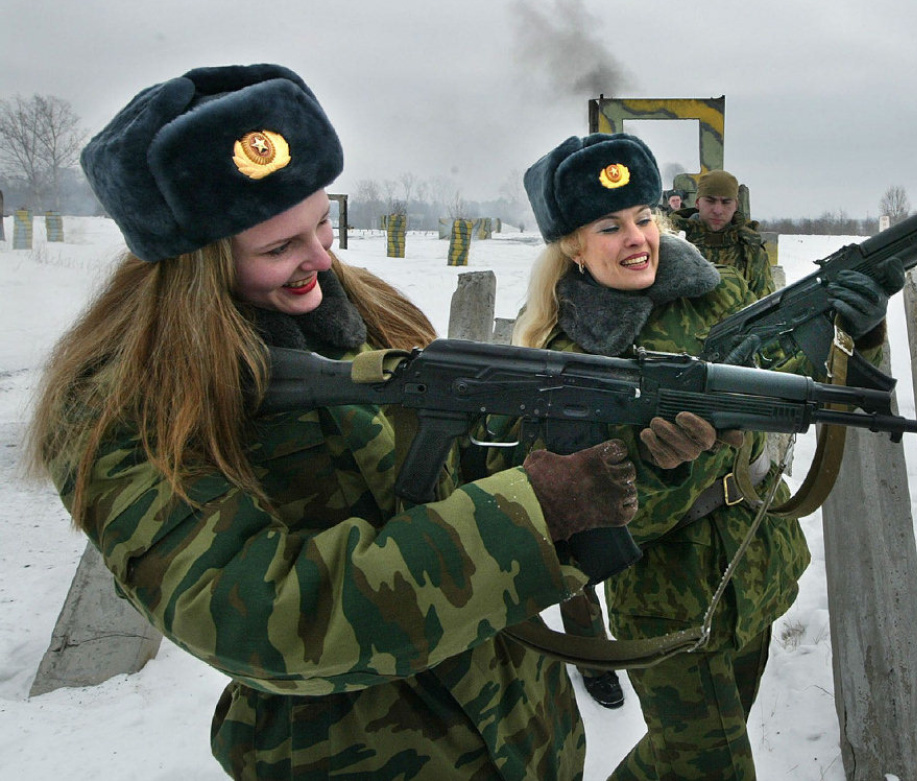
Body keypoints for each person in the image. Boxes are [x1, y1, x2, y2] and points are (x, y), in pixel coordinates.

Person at [23, 64, 643, 780]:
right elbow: (265, 618)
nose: (321, 258)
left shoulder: (364, 310)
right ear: (190, 266)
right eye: (279, 247)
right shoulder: (124, 408)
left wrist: (607, 461)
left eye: (322, 222)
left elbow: (452, 471)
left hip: (524, 734)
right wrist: (529, 511)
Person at [512, 132, 903, 779]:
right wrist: (662, 466)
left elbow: (791, 385)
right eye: (609, 226)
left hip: (752, 566)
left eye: (642, 217)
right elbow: (565, 527)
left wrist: (856, 331)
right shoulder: (558, 352)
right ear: (571, 244)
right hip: (667, 600)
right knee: (713, 766)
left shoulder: (715, 295)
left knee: (687, 755)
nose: (636, 237)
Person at [670, 169, 776, 300]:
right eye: (710, 201)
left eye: (726, 202)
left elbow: (764, 306)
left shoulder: (750, 250)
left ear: (736, 205)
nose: (718, 210)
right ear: (697, 202)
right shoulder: (673, 242)